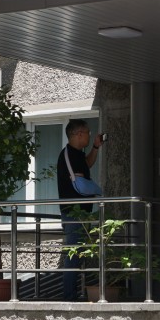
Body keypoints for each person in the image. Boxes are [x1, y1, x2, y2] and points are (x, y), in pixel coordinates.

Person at [56, 119, 105, 300]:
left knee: (78, 253)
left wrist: (96, 147)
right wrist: (97, 190)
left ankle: (73, 294)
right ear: (79, 134)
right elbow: (80, 183)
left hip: (81, 212)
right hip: (73, 213)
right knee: (73, 253)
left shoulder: (77, 154)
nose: (89, 135)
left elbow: (87, 164)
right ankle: (69, 296)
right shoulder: (68, 154)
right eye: (88, 133)